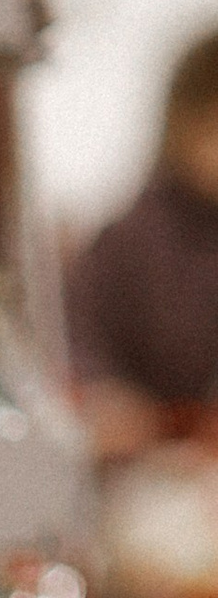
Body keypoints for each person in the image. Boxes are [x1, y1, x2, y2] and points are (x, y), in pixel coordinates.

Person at [67, 26, 218, 463]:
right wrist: (107, 396)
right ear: (183, 123)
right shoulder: (133, 235)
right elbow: (80, 334)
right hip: (148, 459)